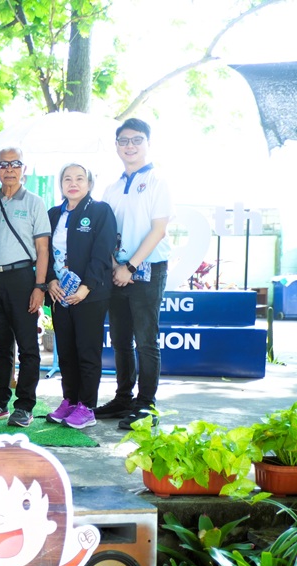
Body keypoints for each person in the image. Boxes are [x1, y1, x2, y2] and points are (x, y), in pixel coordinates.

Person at [99, 119, 173, 430]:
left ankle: (146, 405)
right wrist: (116, 265)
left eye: (137, 140)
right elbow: (105, 233)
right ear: (116, 146)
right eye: (124, 140)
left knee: (146, 340)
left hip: (147, 269)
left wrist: (129, 267)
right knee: (120, 339)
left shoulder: (158, 181)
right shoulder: (111, 188)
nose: (130, 146)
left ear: (148, 144)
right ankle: (123, 398)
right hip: (117, 271)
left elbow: (158, 230)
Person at [0, 148, 50, 428]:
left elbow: (43, 250)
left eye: (15, 164)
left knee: (28, 347)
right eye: (3, 165)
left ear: (23, 168)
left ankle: (25, 406)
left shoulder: (35, 202)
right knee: (0, 347)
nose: (9, 169)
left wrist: (39, 286)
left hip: (22, 279)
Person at [44, 164, 118, 429]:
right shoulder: (53, 214)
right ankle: (70, 400)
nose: (73, 183)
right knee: (66, 351)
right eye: (67, 179)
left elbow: (102, 252)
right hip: (60, 294)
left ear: (89, 183)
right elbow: (44, 252)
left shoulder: (100, 211)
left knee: (87, 350)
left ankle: (86, 407)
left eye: (79, 178)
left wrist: (86, 287)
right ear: (61, 184)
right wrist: (50, 281)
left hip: (89, 295)